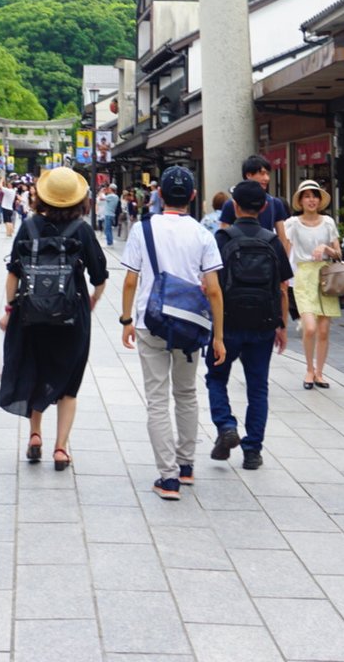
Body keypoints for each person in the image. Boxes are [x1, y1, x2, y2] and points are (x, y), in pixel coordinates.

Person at [121, 165, 225, 499]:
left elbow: (130, 279)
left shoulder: (143, 229)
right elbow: (213, 289)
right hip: (189, 325)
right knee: (186, 393)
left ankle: (167, 478)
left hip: (150, 321)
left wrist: (126, 319)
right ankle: (186, 466)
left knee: (156, 399)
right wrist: (218, 336)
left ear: (160, 195)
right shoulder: (203, 234)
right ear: (193, 197)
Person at [0, 166, 107, 470]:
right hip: (73, 318)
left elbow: (13, 275)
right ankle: (61, 449)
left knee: (35, 372)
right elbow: (99, 276)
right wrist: (93, 299)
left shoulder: (29, 226)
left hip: (30, 316)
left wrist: (9, 311)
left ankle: (35, 435)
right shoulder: (82, 230)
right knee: (69, 385)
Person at [206, 180, 291, 470]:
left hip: (227, 323)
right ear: (264, 207)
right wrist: (281, 325)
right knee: (258, 388)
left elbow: (211, 285)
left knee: (216, 378)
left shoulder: (223, 238)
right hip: (263, 325)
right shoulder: (271, 240)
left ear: (235, 206)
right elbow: (282, 286)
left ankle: (226, 425)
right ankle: (252, 451)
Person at [285, 180, 341, 389]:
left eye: (315, 195)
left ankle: (319, 372)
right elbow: (287, 251)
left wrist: (326, 248)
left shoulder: (328, 222)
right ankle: (309, 368)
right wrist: (281, 279)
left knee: (324, 330)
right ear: (300, 200)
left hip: (325, 276)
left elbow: (339, 252)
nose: (312, 200)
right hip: (303, 276)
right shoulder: (293, 223)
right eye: (307, 195)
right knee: (309, 328)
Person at [219, 154, 289, 254]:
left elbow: (282, 239)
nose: (267, 178)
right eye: (262, 173)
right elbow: (223, 238)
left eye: (268, 174)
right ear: (249, 175)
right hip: (238, 261)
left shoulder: (275, 203)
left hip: (266, 261)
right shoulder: (232, 204)